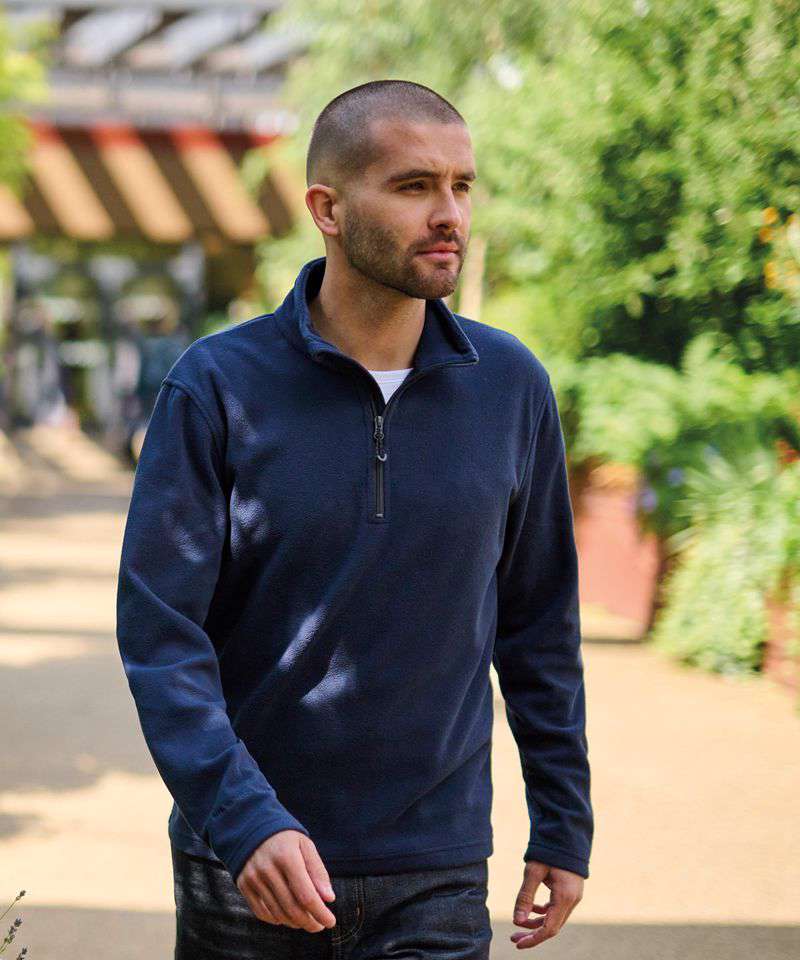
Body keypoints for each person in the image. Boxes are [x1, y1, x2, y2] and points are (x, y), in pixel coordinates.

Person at [115, 79, 593, 959]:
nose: (449, 213)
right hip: (252, 870)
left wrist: (563, 821)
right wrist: (243, 820)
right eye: (414, 186)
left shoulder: (511, 387)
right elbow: (161, 634)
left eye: (461, 185)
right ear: (327, 210)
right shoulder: (216, 386)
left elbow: (539, 623)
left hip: (437, 870)